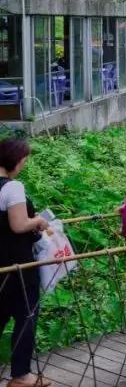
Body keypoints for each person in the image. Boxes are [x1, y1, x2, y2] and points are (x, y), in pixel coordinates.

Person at [0, 138, 51, 387]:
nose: (23, 165)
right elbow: (19, 224)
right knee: (26, 315)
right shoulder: (12, 187)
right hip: (18, 265)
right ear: (15, 161)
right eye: (23, 161)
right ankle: (21, 376)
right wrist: (38, 221)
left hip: (0, 267)